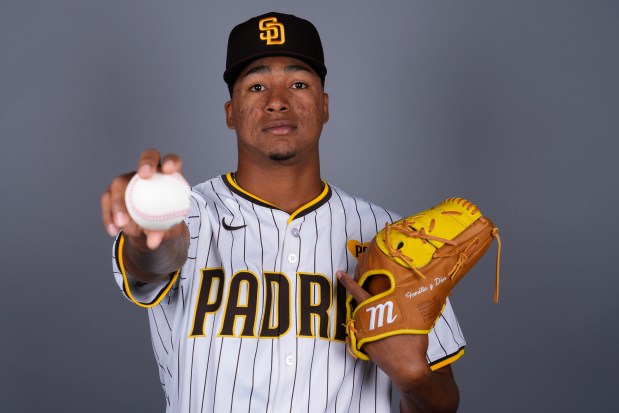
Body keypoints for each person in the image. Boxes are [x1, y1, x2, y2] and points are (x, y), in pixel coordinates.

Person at [101, 12, 465, 413]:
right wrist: (148, 233)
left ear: (324, 106)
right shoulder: (188, 217)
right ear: (230, 112)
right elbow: (153, 261)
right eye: (257, 86)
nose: (277, 101)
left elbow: (442, 400)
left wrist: (414, 379)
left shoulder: (392, 236)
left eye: (298, 83)